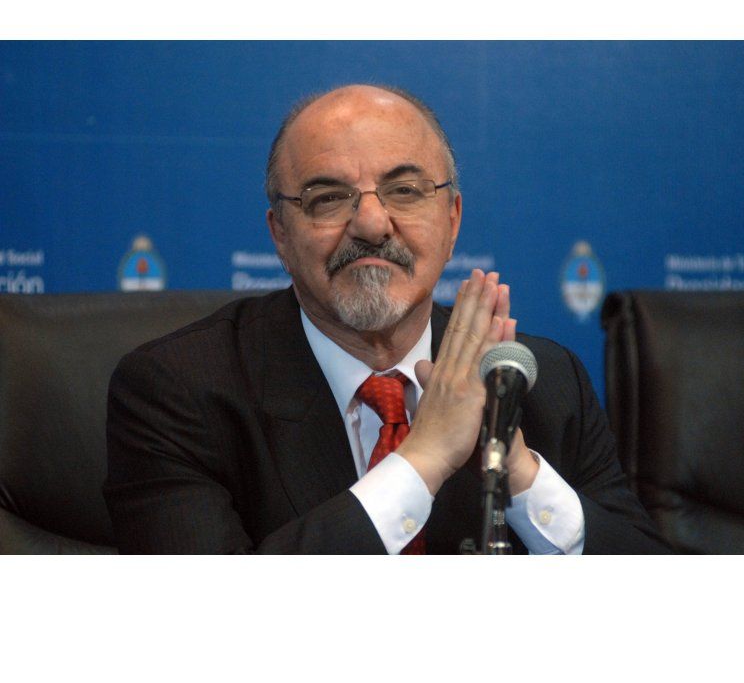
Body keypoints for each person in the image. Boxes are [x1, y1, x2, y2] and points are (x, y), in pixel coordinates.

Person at [104, 84, 669, 554]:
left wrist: (515, 468)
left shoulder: (536, 379)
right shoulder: (178, 390)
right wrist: (424, 458)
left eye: (404, 191)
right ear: (280, 234)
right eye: (328, 198)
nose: (372, 224)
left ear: (452, 220)